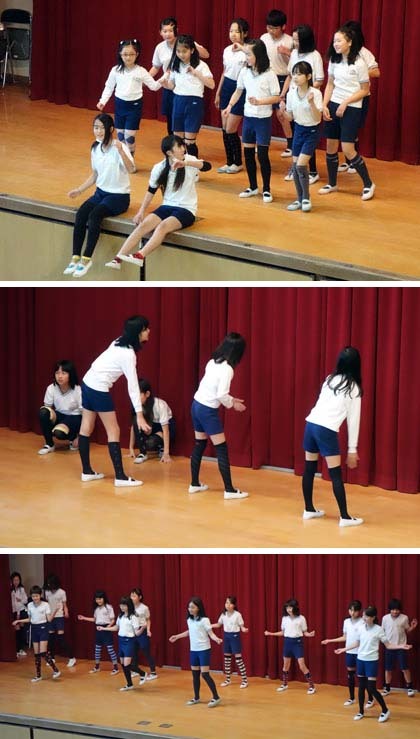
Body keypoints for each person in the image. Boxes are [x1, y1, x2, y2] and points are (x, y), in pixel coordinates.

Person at [104, 135, 211, 270]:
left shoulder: (189, 160)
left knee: (162, 227)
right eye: (179, 147)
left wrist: (186, 163)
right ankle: (118, 259)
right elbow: (151, 191)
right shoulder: (159, 167)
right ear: (169, 153)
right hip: (167, 206)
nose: (183, 149)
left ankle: (140, 256)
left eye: (182, 146)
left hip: (186, 209)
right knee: (143, 226)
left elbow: (207, 166)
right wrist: (141, 212)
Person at [78, 315, 150, 487]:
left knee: (86, 426)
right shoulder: (128, 355)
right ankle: (120, 477)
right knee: (113, 430)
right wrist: (140, 415)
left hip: (87, 382)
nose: (148, 331)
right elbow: (133, 386)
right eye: (145, 329)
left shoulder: (119, 341)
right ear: (138, 333)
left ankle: (87, 472)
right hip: (98, 388)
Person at [64, 113, 135, 278]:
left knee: (95, 216)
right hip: (100, 193)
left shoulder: (120, 147)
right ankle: (75, 257)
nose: (98, 131)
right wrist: (80, 190)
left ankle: (86, 259)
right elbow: (95, 174)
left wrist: (121, 151)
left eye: (102, 128)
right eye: (95, 127)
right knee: (81, 214)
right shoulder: (95, 148)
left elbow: (132, 169)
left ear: (111, 129)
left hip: (119, 196)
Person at [302, 346, 364, 527]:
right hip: (326, 430)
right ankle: (345, 517)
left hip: (310, 424)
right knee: (335, 474)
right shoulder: (353, 388)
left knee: (309, 469)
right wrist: (352, 449)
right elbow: (353, 421)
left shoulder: (330, 379)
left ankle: (308, 509)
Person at [319, 26, 376, 201]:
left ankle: (368, 184)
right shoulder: (334, 61)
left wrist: (345, 102)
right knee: (330, 145)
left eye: (339, 41)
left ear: (349, 42)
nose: (335, 44)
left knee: (348, 148)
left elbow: (364, 90)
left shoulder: (359, 63)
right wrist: (324, 104)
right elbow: (330, 84)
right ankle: (332, 183)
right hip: (334, 104)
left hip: (352, 107)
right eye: (334, 41)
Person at [190, 332, 248, 500]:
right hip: (207, 411)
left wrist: (231, 399)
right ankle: (229, 490)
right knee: (221, 448)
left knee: (199, 444)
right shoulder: (228, 369)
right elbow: (221, 395)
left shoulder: (212, 362)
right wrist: (233, 404)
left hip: (196, 405)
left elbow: (213, 389)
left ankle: (194, 484)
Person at [223, 39, 280, 203]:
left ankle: (266, 189)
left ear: (259, 55)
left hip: (262, 120)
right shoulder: (244, 72)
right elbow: (238, 91)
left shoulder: (270, 74)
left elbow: (276, 97)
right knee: (248, 154)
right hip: (248, 118)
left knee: (262, 155)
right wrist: (229, 106)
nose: (246, 57)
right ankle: (253, 186)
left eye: (248, 54)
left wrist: (260, 102)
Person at [334, 605, 413, 723]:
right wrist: (343, 649)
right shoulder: (361, 628)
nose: (364, 618)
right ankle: (361, 711)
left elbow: (388, 645)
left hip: (371, 661)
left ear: (373, 617)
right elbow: (357, 643)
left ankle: (385, 710)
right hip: (360, 660)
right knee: (361, 687)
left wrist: (401, 646)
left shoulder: (379, 629)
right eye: (363, 615)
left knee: (371, 688)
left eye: (366, 616)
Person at [97, 39, 161, 158]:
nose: (128, 57)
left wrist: (165, 77)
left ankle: (130, 159)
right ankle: (123, 159)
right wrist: (102, 101)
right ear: (120, 54)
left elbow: (154, 86)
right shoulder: (115, 70)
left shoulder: (141, 71)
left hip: (134, 106)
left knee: (129, 137)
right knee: (120, 136)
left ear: (137, 54)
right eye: (125, 54)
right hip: (120, 105)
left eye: (131, 54)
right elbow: (109, 87)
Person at [148, 17, 209, 135]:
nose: (168, 34)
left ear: (176, 30)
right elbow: (155, 67)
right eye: (165, 31)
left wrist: (192, 44)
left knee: (186, 119)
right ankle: (173, 142)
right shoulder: (160, 47)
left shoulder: (184, 43)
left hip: (186, 87)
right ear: (160, 32)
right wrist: (146, 79)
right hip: (169, 84)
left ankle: (187, 142)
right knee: (171, 117)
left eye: (171, 31)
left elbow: (206, 55)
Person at [281, 24, 324, 184]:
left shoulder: (315, 56)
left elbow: (319, 79)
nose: (294, 43)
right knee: (296, 133)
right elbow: (289, 75)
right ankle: (296, 167)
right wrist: (283, 93)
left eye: (297, 40)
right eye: (293, 39)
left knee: (308, 136)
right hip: (294, 98)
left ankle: (312, 171)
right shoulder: (294, 53)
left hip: (308, 98)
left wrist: (307, 93)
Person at [160, 34, 214, 157]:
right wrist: (165, 84)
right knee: (177, 140)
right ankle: (179, 165)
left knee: (190, 141)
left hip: (194, 103)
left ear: (192, 50)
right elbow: (172, 86)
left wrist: (197, 73)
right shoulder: (175, 64)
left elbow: (211, 85)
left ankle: (192, 165)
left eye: (184, 51)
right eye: (178, 51)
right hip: (178, 101)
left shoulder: (201, 65)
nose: (181, 54)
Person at [338, 20, 380, 174]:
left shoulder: (364, 52)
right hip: (342, 97)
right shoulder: (340, 52)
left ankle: (353, 161)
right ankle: (347, 160)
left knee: (353, 129)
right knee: (342, 129)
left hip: (360, 96)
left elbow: (376, 72)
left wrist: (358, 73)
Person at [282, 61, 322, 212]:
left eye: (299, 74)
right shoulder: (291, 94)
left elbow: (318, 118)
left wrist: (311, 103)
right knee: (295, 167)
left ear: (308, 76)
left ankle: (306, 198)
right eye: (294, 74)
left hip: (312, 131)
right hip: (298, 130)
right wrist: (283, 111)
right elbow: (290, 117)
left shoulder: (315, 93)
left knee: (300, 165)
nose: (295, 77)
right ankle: (299, 199)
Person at [169, 596, 223, 707]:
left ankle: (216, 697)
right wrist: (177, 636)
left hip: (204, 650)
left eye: (193, 607)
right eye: (189, 607)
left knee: (205, 674)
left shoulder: (204, 620)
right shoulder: (189, 620)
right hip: (193, 650)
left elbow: (211, 633)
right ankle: (196, 697)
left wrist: (217, 639)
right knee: (195, 675)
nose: (190, 609)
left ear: (198, 608)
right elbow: (190, 632)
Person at [215, 18, 249, 174]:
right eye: (231, 31)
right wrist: (218, 92)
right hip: (227, 87)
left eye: (237, 31)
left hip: (240, 88)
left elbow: (256, 62)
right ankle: (229, 161)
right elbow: (224, 72)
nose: (233, 34)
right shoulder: (227, 50)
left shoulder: (248, 51)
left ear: (245, 33)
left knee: (231, 128)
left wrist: (242, 48)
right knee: (224, 127)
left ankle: (238, 162)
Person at [260, 9, 294, 157]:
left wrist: (288, 53)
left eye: (274, 28)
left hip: (283, 78)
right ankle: (262, 142)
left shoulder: (290, 41)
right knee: (263, 111)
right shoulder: (263, 38)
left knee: (281, 114)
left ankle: (291, 145)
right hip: (266, 77)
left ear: (283, 27)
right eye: (269, 27)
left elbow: (299, 61)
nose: (271, 31)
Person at [265, 598, 316, 694]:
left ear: (295, 608)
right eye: (287, 607)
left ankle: (311, 686)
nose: (288, 609)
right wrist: (271, 633)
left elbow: (305, 632)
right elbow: (283, 632)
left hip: (297, 643)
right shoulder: (284, 618)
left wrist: (310, 635)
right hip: (287, 642)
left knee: (302, 665)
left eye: (290, 607)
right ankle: (284, 684)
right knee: (286, 665)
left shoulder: (301, 618)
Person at [12, 585, 61, 682]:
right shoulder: (30, 605)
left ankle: (56, 670)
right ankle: (38, 676)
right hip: (34, 629)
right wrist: (18, 621)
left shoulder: (45, 605)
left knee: (43, 652)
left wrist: (55, 610)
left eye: (37, 596)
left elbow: (49, 619)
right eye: (33, 596)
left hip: (43, 629)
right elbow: (30, 619)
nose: (35, 598)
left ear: (40, 595)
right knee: (37, 654)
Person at [321, 600, 364, 706]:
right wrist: (330, 640)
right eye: (351, 610)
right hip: (349, 652)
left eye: (355, 611)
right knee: (350, 675)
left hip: (361, 653)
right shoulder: (346, 622)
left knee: (362, 677)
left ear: (359, 611)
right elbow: (345, 637)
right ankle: (352, 698)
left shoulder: (363, 621)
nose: (352, 613)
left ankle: (370, 699)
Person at [38, 360, 82, 455]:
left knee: (59, 432)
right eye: (57, 373)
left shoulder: (78, 389)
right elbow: (47, 408)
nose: (60, 376)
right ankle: (49, 444)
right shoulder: (51, 388)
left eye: (63, 373)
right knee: (43, 412)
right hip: (59, 415)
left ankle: (73, 437)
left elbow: (85, 414)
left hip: (74, 418)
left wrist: (81, 436)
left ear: (70, 374)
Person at [97, 596, 141, 691]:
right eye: (121, 605)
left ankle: (142, 674)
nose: (122, 607)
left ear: (129, 605)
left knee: (127, 665)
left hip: (129, 641)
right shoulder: (120, 616)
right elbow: (116, 628)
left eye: (124, 605)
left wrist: (143, 628)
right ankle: (129, 684)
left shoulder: (133, 617)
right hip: (121, 641)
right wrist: (103, 628)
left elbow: (137, 632)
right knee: (123, 664)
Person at [129, 379, 175, 464]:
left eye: (138, 394)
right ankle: (143, 453)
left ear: (147, 394)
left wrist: (166, 453)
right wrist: (131, 448)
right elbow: (134, 426)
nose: (135, 398)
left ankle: (161, 447)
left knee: (151, 443)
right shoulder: (137, 406)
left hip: (165, 427)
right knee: (136, 419)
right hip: (151, 425)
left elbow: (166, 430)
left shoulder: (160, 405)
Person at [381, 598, 417, 697]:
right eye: (393, 609)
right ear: (390, 609)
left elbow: (407, 630)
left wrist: (412, 627)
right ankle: (387, 688)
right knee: (388, 669)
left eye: (397, 609)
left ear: (400, 610)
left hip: (402, 647)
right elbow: (382, 632)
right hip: (389, 647)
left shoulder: (404, 618)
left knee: (405, 668)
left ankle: (409, 687)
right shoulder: (385, 618)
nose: (395, 611)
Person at [77, 590, 119, 675]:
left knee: (110, 649)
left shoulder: (108, 607)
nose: (98, 600)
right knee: (97, 649)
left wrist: (108, 627)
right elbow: (95, 620)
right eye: (97, 599)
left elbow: (113, 620)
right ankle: (97, 666)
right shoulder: (96, 609)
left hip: (106, 629)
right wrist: (84, 618)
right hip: (98, 629)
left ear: (104, 598)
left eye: (100, 598)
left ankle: (115, 667)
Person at [211, 595, 249, 688]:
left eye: (230, 603)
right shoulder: (223, 614)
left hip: (235, 636)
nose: (227, 605)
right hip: (226, 636)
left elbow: (241, 626)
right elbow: (219, 624)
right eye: (226, 602)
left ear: (234, 605)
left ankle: (245, 680)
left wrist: (244, 629)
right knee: (227, 659)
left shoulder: (237, 614)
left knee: (238, 659)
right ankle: (228, 679)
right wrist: (209, 625)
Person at [43, 573, 76, 668]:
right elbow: (47, 604)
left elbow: (65, 605)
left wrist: (66, 612)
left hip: (59, 616)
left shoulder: (62, 592)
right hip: (50, 616)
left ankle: (72, 657)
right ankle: (52, 657)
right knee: (51, 638)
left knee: (61, 638)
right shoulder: (47, 592)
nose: (49, 586)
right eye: (48, 584)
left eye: (51, 584)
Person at [129, 588, 158, 682]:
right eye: (131, 596)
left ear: (140, 597)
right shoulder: (129, 607)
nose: (132, 598)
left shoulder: (144, 608)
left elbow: (148, 620)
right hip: (133, 631)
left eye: (134, 596)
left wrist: (148, 630)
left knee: (146, 651)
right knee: (133, 651)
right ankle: (135, 670)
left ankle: (153, 672)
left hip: (142, 630)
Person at [11, 571, 28, 657]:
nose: (16, 582)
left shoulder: (21, 589)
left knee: (21, 630)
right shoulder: (10, 590)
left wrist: (20, 599)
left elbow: (25, 600)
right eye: (14, 580)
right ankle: (16, 650)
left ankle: (20, 649)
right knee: (16, 630)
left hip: (22, 611)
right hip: (14, 612)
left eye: (17, 580)